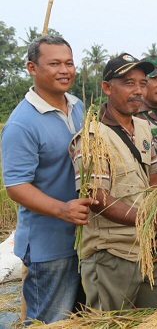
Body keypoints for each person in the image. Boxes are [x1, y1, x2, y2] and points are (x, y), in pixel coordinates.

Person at [70, 53, 157, 310]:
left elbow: (155, 176)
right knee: (114, 324)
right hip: (112, 255)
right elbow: (97, 199)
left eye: (142, 83)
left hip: (152, 248)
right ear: (107, 87)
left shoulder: (143, 127)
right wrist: (148, 219)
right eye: (128, 83)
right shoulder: (92, 138)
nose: (137, 90)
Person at [1, 36, 90, 324]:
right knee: (49, 320)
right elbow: (16, 186)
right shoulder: (21, 123)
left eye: (69, 63)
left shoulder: (77, 106)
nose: (64, 70)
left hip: (83, 238)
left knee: (78, 318)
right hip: (48, 245)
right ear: (32, 68)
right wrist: (62, 210)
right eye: (54, 63)